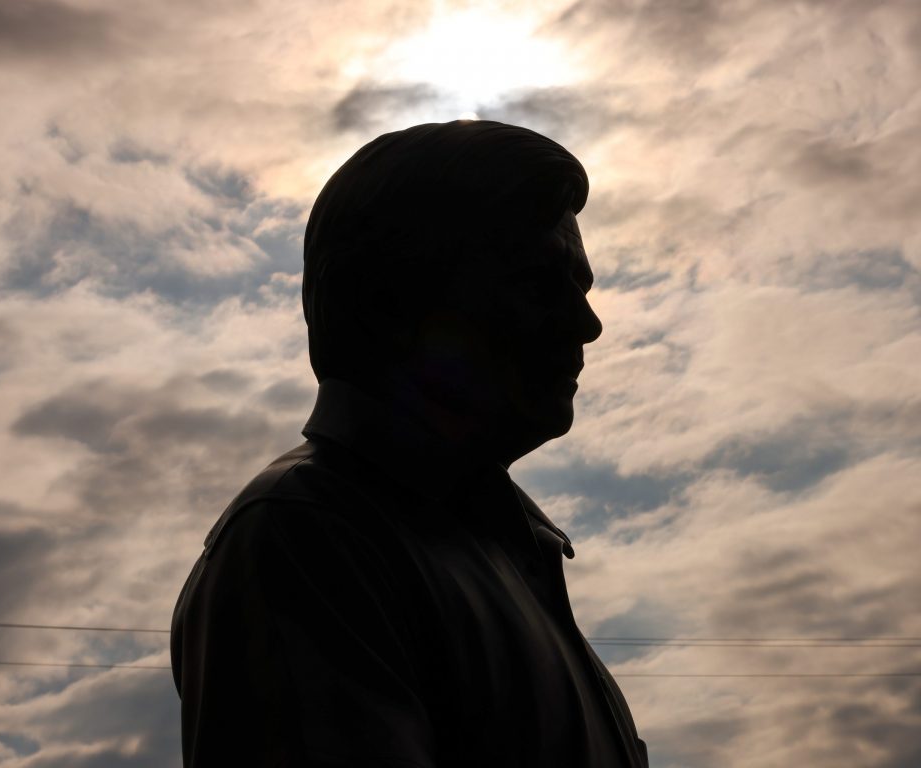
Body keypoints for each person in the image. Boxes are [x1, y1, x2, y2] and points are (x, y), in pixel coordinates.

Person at [171, 120, 648, 767]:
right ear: (388, 301)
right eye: (537, 284)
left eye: (581, 288)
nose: (586, 324)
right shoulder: (309, 534)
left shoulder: (505, 551)